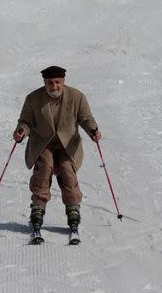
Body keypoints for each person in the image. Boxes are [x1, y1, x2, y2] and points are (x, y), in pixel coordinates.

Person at [13, 66, 101, 231]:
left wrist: (92, 130)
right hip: (42, 143)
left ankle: (73, 208)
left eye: (57, 82)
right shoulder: (33, 98)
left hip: (68, 144)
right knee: (44, 168)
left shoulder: (76, 97)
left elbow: (86, 118)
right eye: (50, 82)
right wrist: (21, 131)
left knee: (67, 170)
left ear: (63, 81)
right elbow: (25, 121)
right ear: (44, 82)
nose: (54, 86)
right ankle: (38, 207)